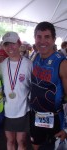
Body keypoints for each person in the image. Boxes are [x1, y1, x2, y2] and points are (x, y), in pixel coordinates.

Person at [29, 21, 67, 150]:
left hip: (55, 118)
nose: (42, 41)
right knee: (36, 146)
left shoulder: (62, 63)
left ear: (54, 39)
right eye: (39, 37)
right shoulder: (34, 57)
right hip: (35, 115)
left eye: (47, 37)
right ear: (35, 38)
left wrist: (66, 127)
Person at [0, 31, 32, 150]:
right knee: (10, 141)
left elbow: (32, 86)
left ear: (19, 44)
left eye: (12, 43)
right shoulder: (1, 65)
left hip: (23, 110)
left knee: (21, 141)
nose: (9, 47)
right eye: (6, 44)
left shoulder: (28, 64)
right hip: (7, 111)